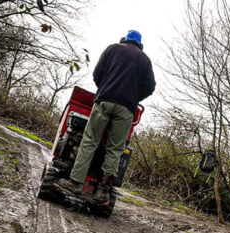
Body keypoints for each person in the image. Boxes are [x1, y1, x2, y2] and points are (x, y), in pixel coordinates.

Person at [56, 30, 156, 204]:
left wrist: (105, 89)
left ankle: (76, 183)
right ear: (140, 44)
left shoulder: (112, 49)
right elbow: (150, 87)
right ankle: (103, 191)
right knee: (115, 149)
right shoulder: (145, 60)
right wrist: (133, 98)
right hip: (126, 109)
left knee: (90, 141)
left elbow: (97, 73)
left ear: (125, 39)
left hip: (104, 101)